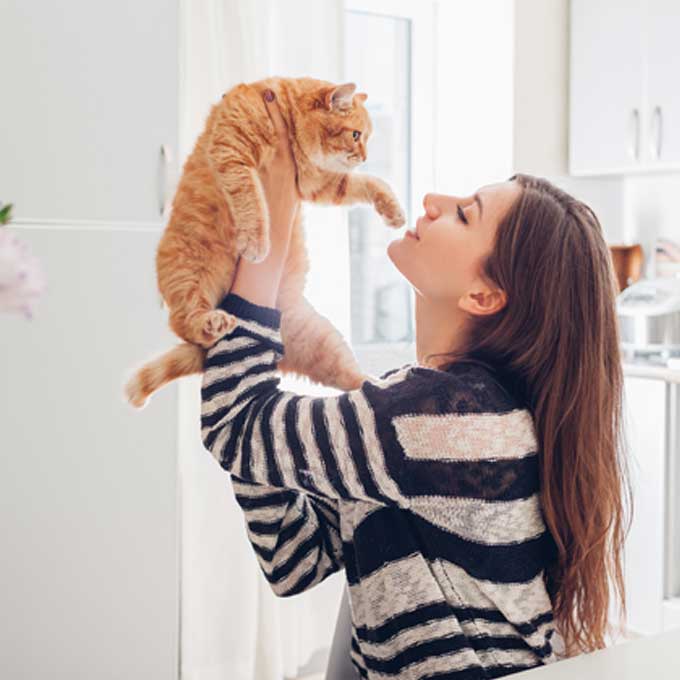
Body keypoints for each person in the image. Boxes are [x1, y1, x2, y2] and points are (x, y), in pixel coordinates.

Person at [199, 88, 632, 679]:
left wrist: (263, 245)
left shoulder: (444, 421)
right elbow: (292, 557)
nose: (431, 201)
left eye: (464, 214)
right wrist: (265, 323)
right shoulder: (438, 414)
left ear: (484, 296)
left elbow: (235, 424)